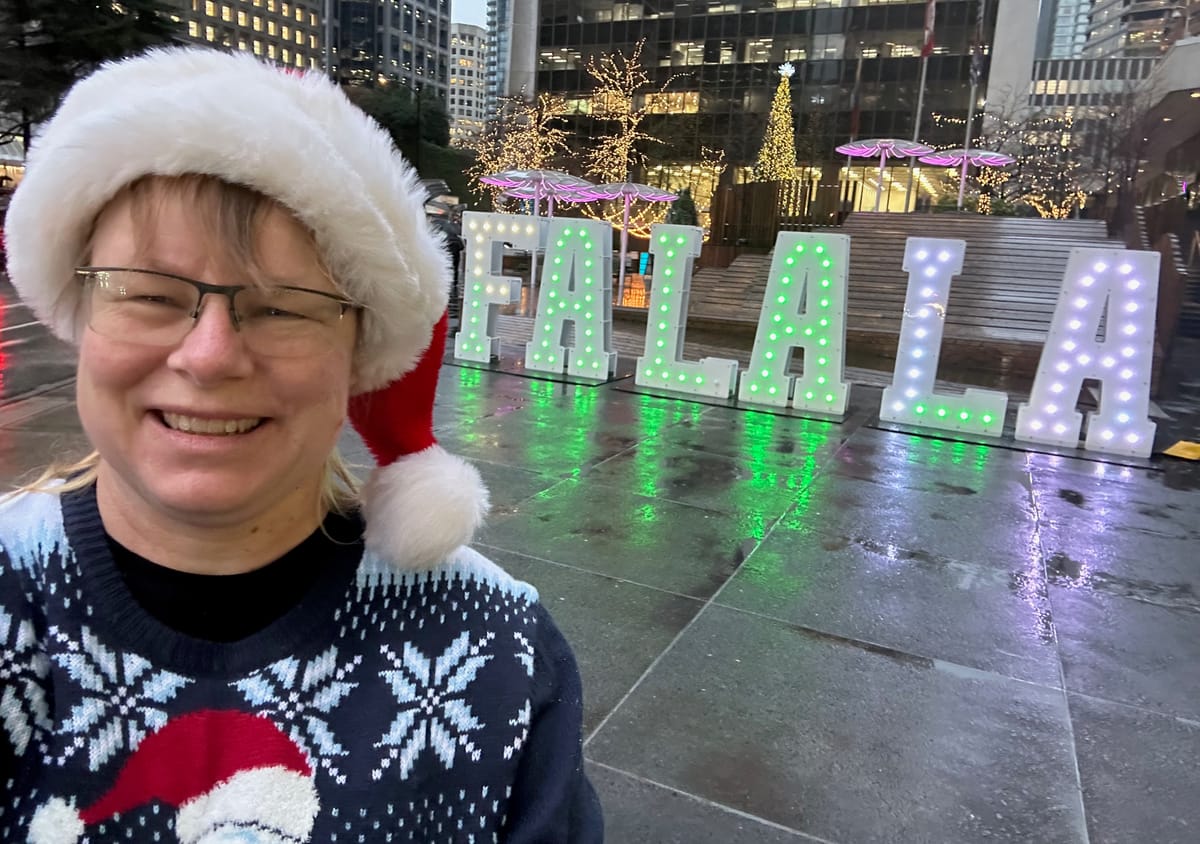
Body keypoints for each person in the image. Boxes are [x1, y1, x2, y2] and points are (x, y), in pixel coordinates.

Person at [0, 48, 602, 843]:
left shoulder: (497, 651)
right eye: (149, 294)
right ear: (81, 312)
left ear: (360, 354)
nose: (209, 355)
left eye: (282, 307)